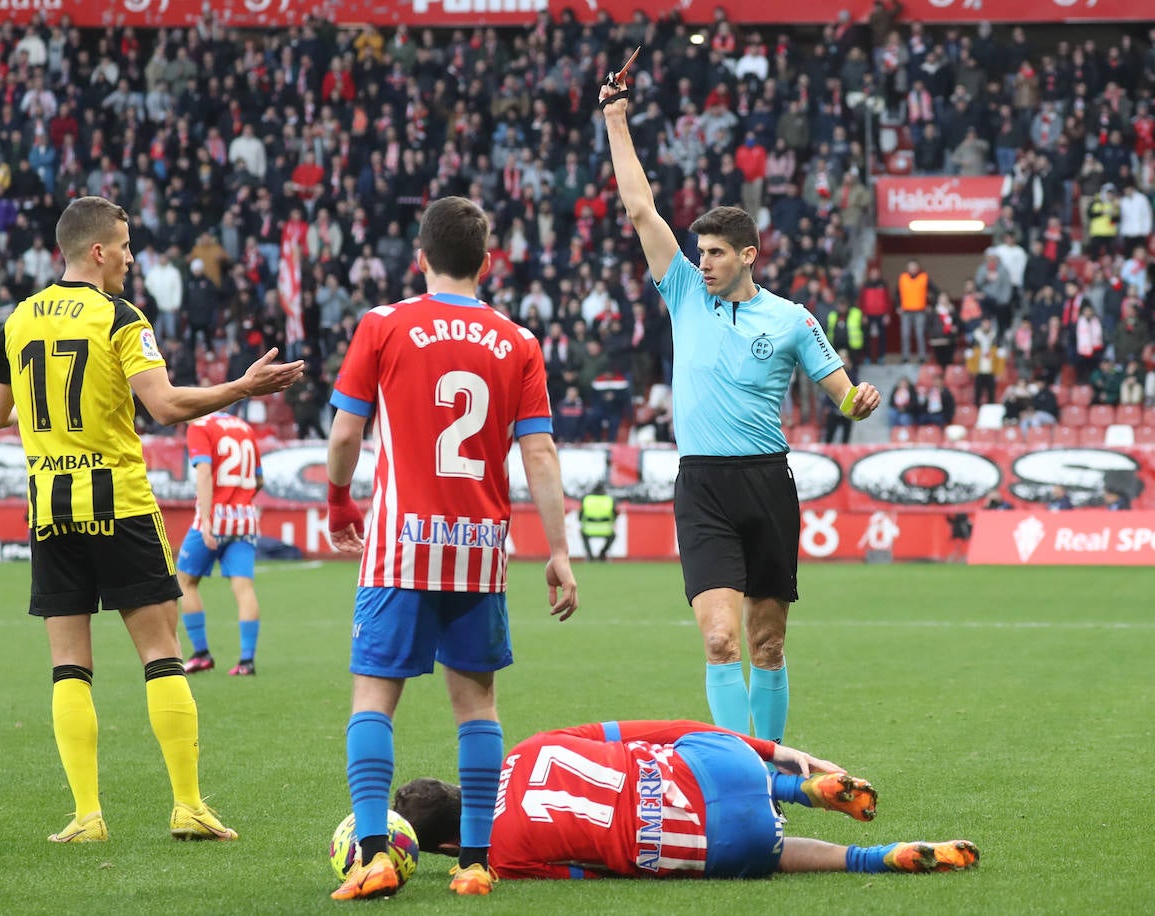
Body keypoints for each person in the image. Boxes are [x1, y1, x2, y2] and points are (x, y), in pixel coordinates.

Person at [0, 196, 303, 844]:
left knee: (69, 665)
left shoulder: (17, 322)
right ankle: (187, 805)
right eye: (125, 246)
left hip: (50, 508)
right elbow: (163, 405)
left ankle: (86, 815)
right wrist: (241, 387)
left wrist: (53, 413)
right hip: (117, 505)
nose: (132, 257)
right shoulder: (120, 317)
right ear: (97, 251)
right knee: (162, 653)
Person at [599, 76, 879, 747]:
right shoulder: (685, 293)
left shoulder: (791, 320)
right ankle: (740, 769)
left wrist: (858, 401)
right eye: (701, 254)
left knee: (768, 642)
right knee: (721, 639)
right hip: (702, 486)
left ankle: (777, 769)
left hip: (767, 483)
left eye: (717, 253)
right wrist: (615, 116)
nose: (705, 264)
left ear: (749, 254)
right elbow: (640, 208)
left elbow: (842, 391)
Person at [325, 197, 578, 900]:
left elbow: (346, 435)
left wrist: (338, 497)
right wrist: (558, 550)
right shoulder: (518, 341)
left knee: (375, 697)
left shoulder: (382, 325)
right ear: (487, 262)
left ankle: (373, 852)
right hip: (479, 550)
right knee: (477, 705)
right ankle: (473, 862)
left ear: (420, 257)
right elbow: (541, 452)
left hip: (401, 547)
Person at [394, 719, 979, 880]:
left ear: (450, 845)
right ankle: (799, 788)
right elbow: (661, 728)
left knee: (743, 846)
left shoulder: (505, 858)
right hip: (723, 762)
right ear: (458, 783)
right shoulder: (530, 745)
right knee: (674, 752)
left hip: (725, 844)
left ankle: (875, 858)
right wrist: (770, 747)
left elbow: (589, 875)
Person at [176, 411, 265, 677]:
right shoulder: (243, 426)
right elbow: (259, 479)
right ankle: (246, 661)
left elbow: (204, 472)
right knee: (244, 588)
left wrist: (206, 519)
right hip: (245, 520)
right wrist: (240, 503)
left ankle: (201, 654)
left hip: (214, 518)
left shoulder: (199, 426)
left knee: (185, 581)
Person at [578, 483, 617, 562]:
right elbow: (615, 514)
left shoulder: (586, 499)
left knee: (582, 533)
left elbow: (580, 516)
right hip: (606, 529)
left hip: (588, 529)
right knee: (613, 536)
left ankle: (590, 555)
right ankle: (602, 554)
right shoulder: (609, 499)